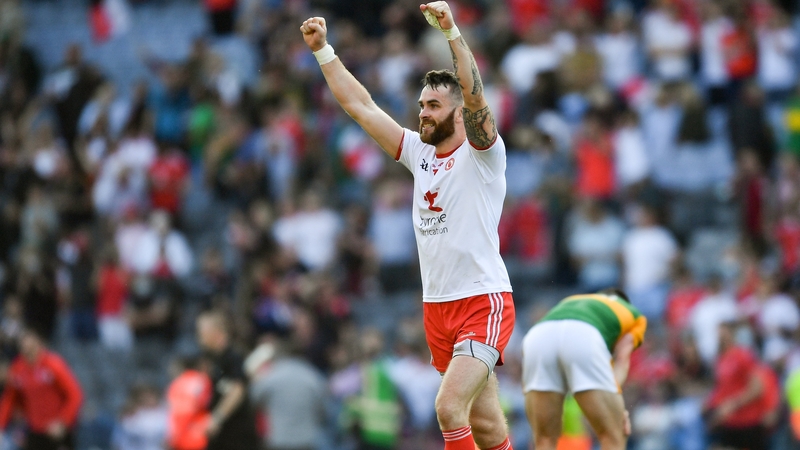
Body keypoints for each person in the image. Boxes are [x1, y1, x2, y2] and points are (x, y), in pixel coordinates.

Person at [300, 2, 516, 449]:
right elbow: (361, 106)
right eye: (421, 105)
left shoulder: (483, 154)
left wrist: (452, 30)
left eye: (434, 105)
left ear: (458, 114)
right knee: (489, 428)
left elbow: (475, 95)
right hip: (437, 306)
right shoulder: (419, 153)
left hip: (481, 300)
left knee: (447, 408)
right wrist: (324, 51)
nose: (423, 113)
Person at [521, 288, 647, 450]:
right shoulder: (634, 316)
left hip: (537, 337)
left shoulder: (572, 300)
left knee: (544, 439)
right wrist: (615, 404)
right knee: (613, 435)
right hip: (584, 336)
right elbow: (621, 359)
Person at [0, 327, 83, 450]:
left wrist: (63, 421)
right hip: (35, 430)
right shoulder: (18, 368)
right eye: (24, 346)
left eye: (30, 345)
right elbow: (10, 399)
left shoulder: (54, 364)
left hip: (57, 430)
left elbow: (75, 394)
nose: (27, 349)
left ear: (39, 344)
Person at [196, 310, 260, 450]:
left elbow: (238, 390)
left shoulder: (233, 357)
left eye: (202, 330)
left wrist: (217, 418)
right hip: (217, 436)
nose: (199, 335)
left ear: (217, 332)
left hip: (236, 434)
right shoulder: (209, 358)